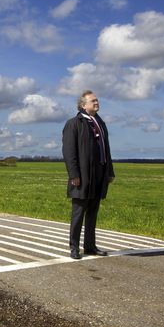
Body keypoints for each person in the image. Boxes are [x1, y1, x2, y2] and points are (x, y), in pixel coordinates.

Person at [62, 90, 115, 260]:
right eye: (93, 101)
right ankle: (74, 247)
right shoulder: (74, 123)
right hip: (82, 176)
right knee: (78, 213)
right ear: (83, 105)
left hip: (99, 175)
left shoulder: (101, 123)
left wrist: (110, 172)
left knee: (93, 212)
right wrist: (74, 175)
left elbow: (106, 150)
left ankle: (90, 246)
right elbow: (69, 152)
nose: (97, 103)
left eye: (97, 100)